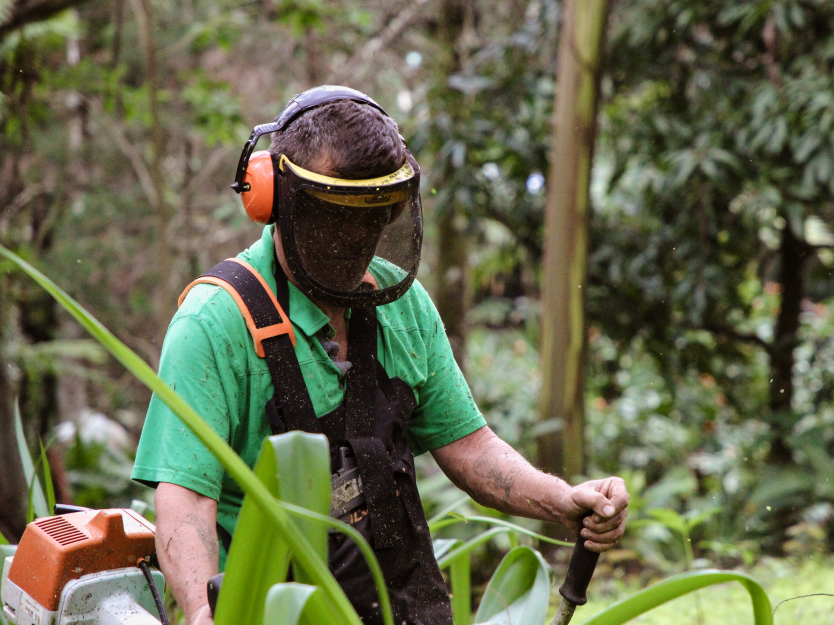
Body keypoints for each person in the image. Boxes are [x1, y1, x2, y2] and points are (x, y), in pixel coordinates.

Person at [131, 86, 629, 625]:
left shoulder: (402, 303)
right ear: (273, 197)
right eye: (334, 215)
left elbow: (469, 446)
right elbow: (186, 503)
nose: (355, 239)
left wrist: (563, 500)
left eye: (375, 215)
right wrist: (205, 614)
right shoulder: (213, 325)